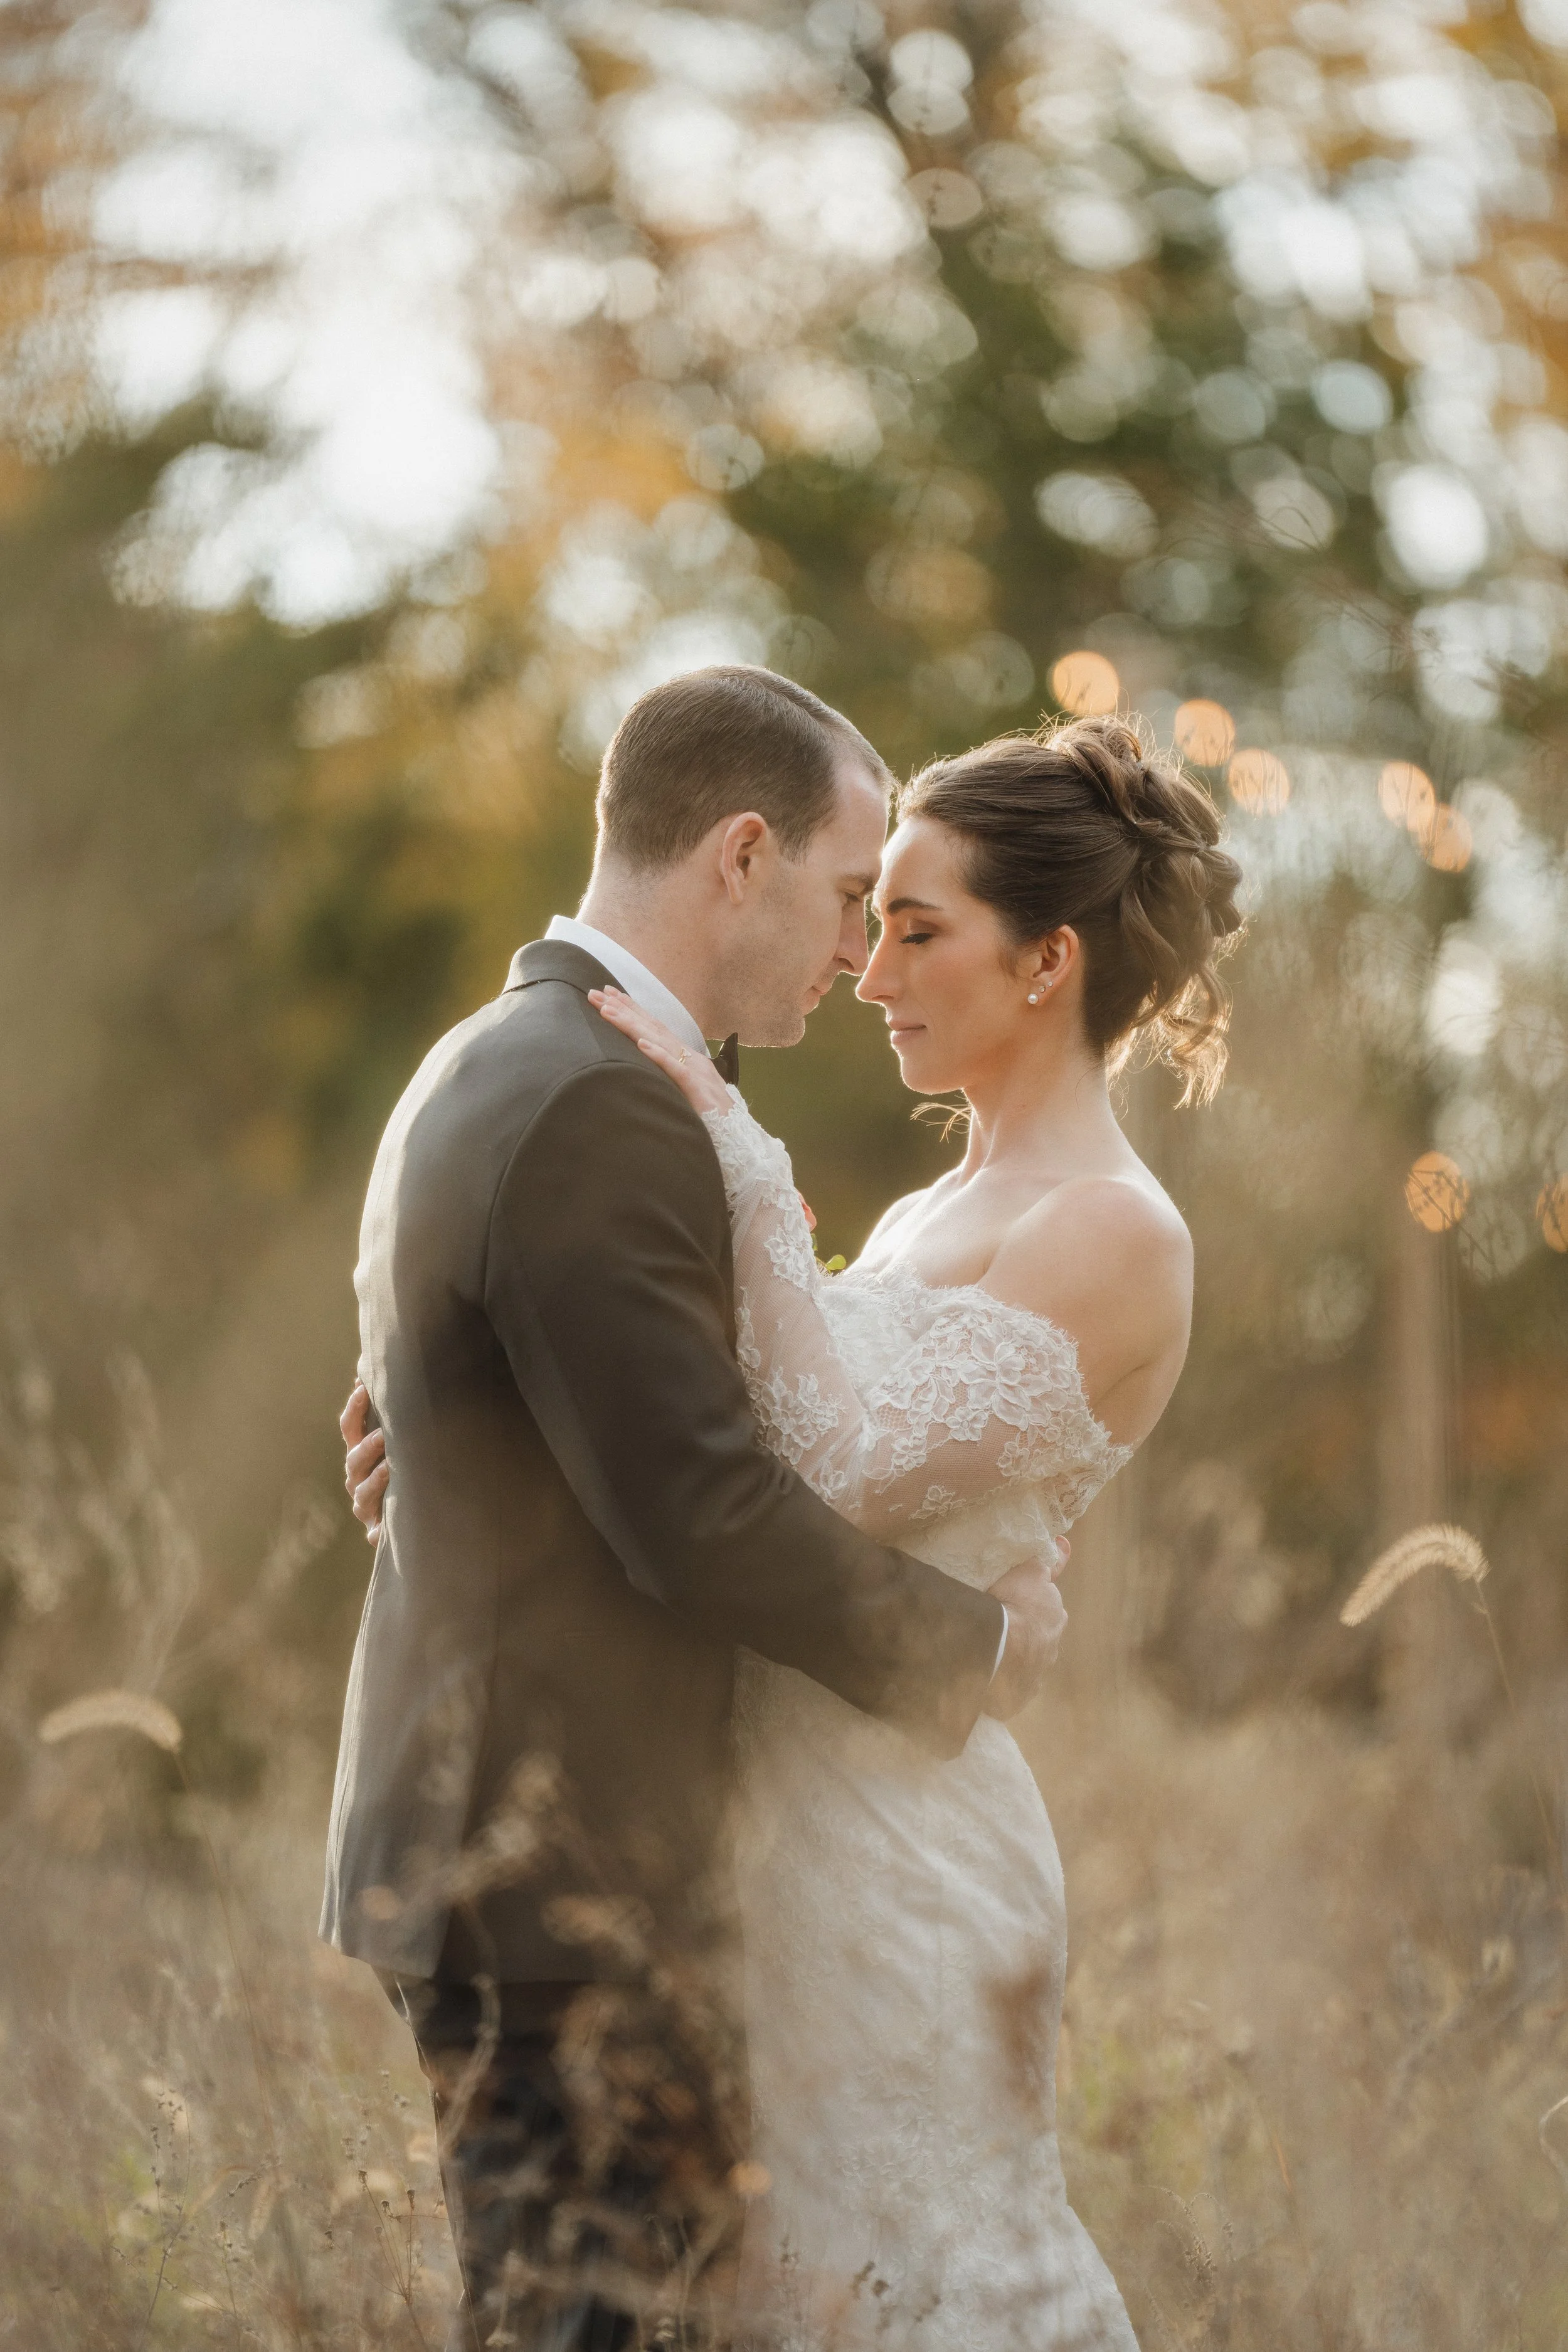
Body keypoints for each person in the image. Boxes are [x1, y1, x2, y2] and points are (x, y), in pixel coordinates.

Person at [347, 703, 1244, 2349]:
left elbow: (803, 1469)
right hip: (749, 1815)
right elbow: (701, 1444)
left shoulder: (1115, 1230)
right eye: (863, 914)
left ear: (1046, 963)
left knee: (903, 2277)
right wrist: (487, 1436)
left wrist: (724, 1138)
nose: (867, 966)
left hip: (893, 1831)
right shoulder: (916, 1210)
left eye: (912, 927)